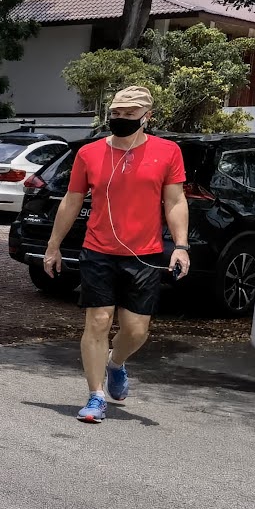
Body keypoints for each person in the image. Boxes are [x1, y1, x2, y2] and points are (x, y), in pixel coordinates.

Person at [41, 86, 190, 422]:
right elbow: (72, 200)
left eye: (129, 114)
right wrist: (53, 246)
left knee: (136, 330)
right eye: (116, 113)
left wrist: (181, 246)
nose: (121, 119)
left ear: (147, 117)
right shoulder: (89, 153)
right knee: (98, 321)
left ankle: (116, 363)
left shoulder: (167, 152)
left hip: (145, 253)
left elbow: (175, 201)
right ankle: (95, 396)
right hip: (98, 250)